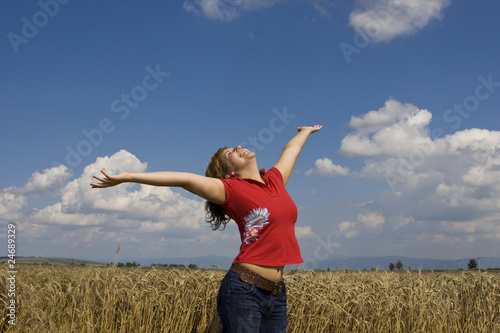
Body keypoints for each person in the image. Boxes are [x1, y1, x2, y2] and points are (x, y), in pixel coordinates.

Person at [91, 125, 322, 332]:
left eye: (235, 147)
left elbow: (291, 150)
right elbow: (182, 179)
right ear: (228, 172)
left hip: (277, 294)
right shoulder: (230, 189)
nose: (239, 147)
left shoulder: (275, 181)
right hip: (244, 291)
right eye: (231, 153)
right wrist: (127, 177)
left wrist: (305, 131)